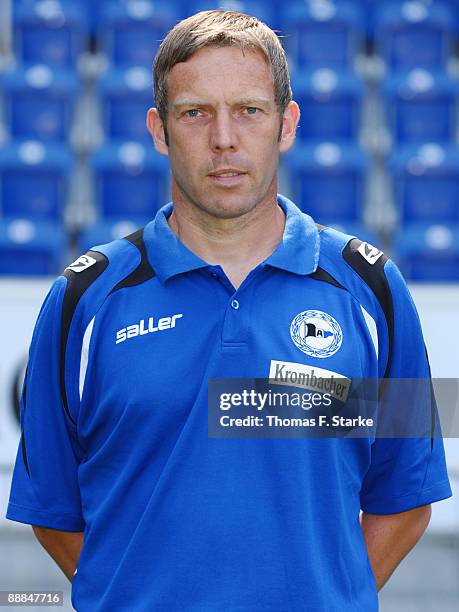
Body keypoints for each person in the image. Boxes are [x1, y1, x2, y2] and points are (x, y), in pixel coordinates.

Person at [6, 10, 452, 612]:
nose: (224, 138)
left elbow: (405, 496)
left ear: (286, 124)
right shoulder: (84, 300)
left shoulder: (372, 291)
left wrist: (325, 599)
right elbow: (54, 508)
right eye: (195, 113)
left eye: (249, 110)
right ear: (159, 131)